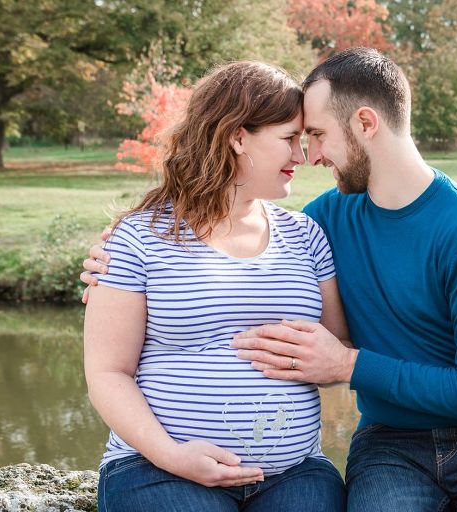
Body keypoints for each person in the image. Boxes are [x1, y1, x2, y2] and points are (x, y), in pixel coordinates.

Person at [83, 48, 457, 511]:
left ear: (364, 123)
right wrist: (115, 258)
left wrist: (346, 364)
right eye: (297, 138)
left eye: (315, 134)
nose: (309, 155)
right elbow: (225, 236)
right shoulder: (326, 220)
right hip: (394, 441)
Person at [82, 61, 347, 512]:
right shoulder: (139, 237)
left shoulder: (307, 235)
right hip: (156, 469)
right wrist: (172, 455)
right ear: (238, 136)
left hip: (294, 473)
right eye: (289, 139)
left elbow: (338, 343)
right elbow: (107, 373)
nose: (302, 157)